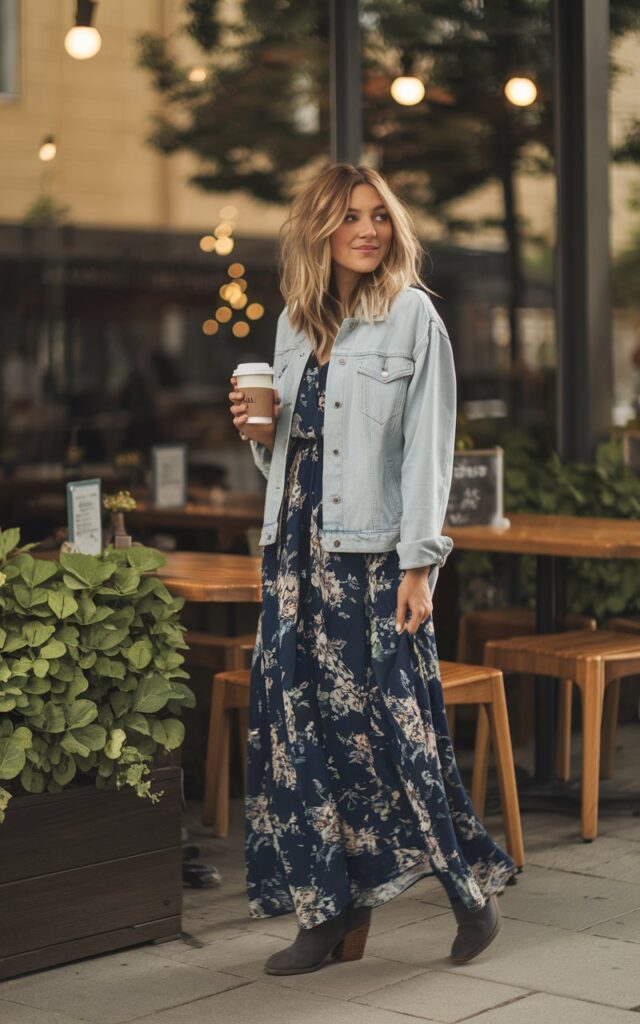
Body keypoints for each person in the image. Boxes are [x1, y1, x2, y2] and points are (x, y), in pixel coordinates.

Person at [228, 163, 517, 978]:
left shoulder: (414, 317)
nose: (368, 229)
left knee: (394, 728)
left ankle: (469, 892)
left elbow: (430, 450)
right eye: (350, 216)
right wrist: (260, 437)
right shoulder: (292, 323)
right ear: (319, 228)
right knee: (301, 733)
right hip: (292, 556)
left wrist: (421, 566)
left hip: (374, 560)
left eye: (379, 216)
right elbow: (290, 460)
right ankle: (329, 913)